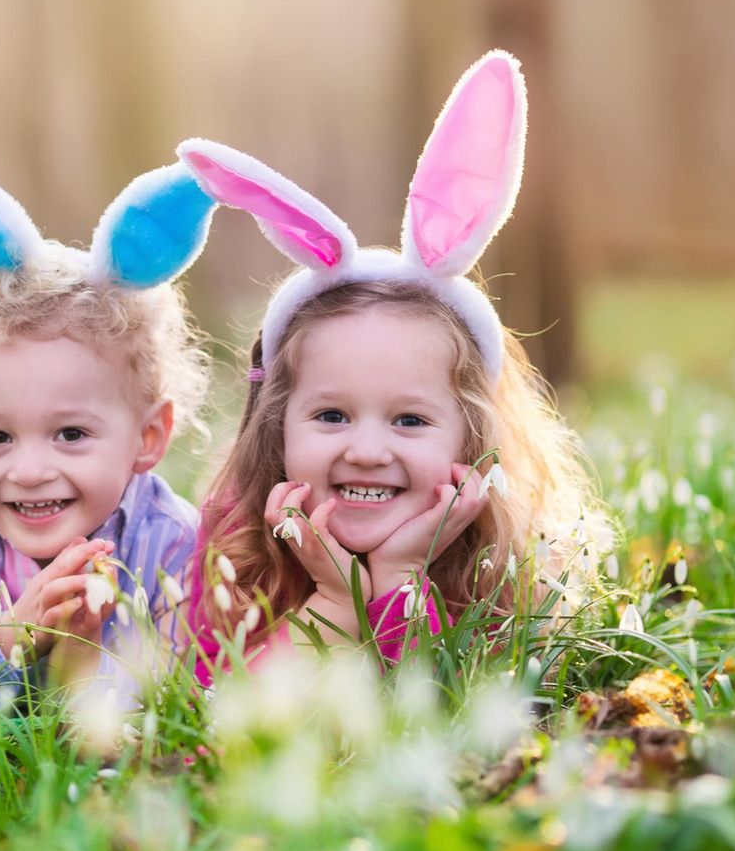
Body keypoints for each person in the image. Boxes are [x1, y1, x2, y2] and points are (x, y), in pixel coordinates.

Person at [175, 51, 606, 682]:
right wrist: (332, 602)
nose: (368, 450)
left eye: (409, 419)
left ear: (473, 436)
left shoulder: (501, 560)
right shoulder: (236, 542)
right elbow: (226, 721)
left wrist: (401, 575)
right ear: (278, 425)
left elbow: (445, 718)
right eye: (331, 415)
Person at [0, 114, 217, 693]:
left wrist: (100, 660)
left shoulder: (171, 542)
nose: (28, 471)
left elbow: (199, 687)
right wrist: (9, 642)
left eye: (71, 434)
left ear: (147, 437)